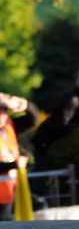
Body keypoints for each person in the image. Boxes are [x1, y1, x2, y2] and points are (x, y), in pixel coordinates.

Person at [31, 65, 79, 172]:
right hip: (47, 143)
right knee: (42, 176)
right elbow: (61, 126)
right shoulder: (72, 100)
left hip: (69, 147)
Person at [0, 92, 38, 221]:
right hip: (3, 196)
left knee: (40, 205)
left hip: (11, 189)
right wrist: (15, 164)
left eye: (4, 110)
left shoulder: (8, 126)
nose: (2, 114)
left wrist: (23, 104)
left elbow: (32, 119)